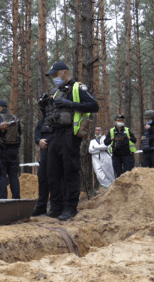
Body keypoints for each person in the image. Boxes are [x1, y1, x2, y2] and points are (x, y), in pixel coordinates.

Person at [39, 61, 99, 220]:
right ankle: (56, 207)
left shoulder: (78, 88)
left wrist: (70, 103)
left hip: (70, 135)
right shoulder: (55, 91)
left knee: (70, 172)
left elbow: (94, 106)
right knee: (53, 173)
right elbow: (51, 115)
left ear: (64, 72)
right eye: (52, 76)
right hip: (54, 135)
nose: (53, 78)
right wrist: (43, 106)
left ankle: (70, 208)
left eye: (55, 74)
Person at [32, 88, 57, 216]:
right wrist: (39, 141)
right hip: (45, 151)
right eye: (50, 97)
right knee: (42, 178)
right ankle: (41, 206)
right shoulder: (44, 117)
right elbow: (37, 131)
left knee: (55, 178)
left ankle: (55, 207)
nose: (51, 100)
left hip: (57, 151)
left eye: (54, 97)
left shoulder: (61, 114)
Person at [0, 100, 21, 199]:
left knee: (2, 175)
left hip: (2, 148)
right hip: (13, 149)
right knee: (13, 175)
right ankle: (16, 198)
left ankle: (3, 198)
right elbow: (20, 133)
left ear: (0, 108)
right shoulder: (15, 118)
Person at [89, 126, 114, 191]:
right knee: (100, 176)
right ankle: (110, 189)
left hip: (106, 159)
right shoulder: (92, 141)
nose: (97, 132)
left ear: (102, 131)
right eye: (96, 130)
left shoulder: (105, 138)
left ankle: (112, 190)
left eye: (99, 130)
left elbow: (105, 147)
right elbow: (90, 150)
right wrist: (100, 149)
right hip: (96, 160)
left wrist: (95, 147)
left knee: (110, 175)